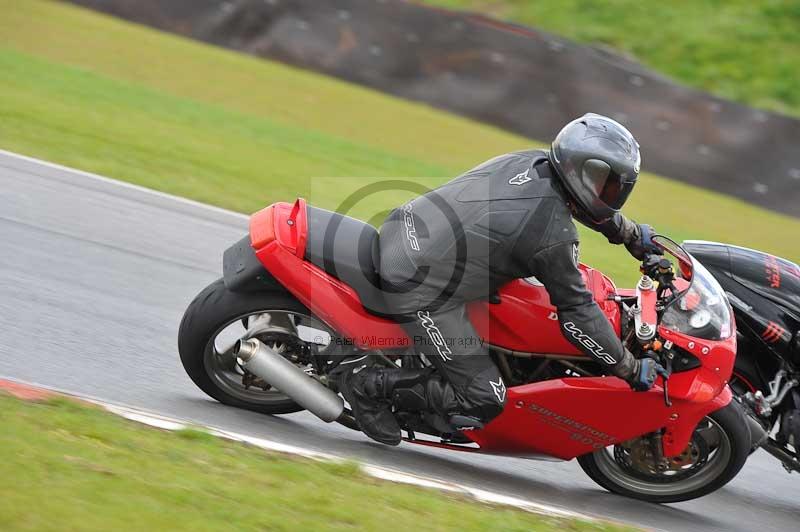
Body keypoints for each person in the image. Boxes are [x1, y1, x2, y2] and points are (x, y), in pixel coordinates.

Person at [338, 113, 667, 446]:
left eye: (617, 187)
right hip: (420, 286)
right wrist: (627, 367)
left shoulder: (531, 161)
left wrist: (628, 233)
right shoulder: (552, 236)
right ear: (580, 170)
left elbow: (582, 204)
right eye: (606, 183)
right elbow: (578, 313)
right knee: (486, 397)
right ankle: (370, 385)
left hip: (407, 228)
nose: (612, 193)